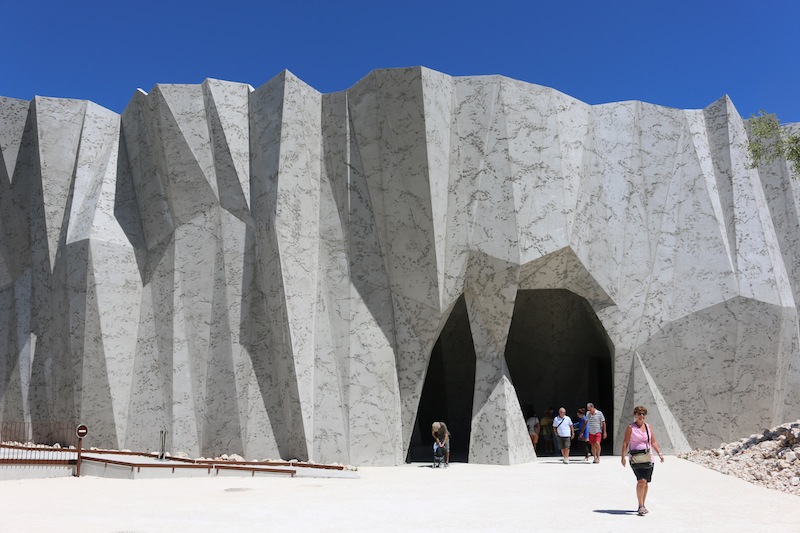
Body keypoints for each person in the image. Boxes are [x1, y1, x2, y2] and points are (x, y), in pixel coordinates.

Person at [621, 405, 665, 516]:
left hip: (648, 457)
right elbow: (626, 442)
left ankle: (643, 504)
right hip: (635, 458)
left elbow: (653, 442)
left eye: (643, 414)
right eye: (639, 414)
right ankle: (640, 505)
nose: (641, 416)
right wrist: (622, 457)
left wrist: (659, 453)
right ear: (635, 415)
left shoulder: (648, 427)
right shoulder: (631, 427)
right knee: (641, 481)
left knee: (646, 482)